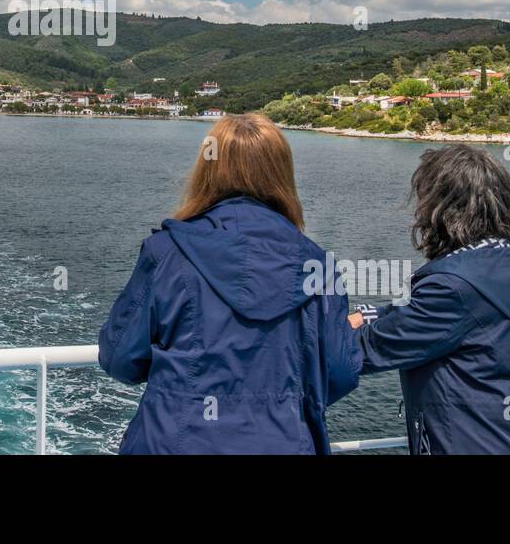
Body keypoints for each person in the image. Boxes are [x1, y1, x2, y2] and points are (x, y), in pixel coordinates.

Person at [98, 112, 360, 454]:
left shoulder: (166, 253)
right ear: (282, 174)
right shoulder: (319, 267)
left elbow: (120, 358)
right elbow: (338, 373)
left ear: (208, 169)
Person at [351, 143, 510, 454]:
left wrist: (312, 328)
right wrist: (366, 315)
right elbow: (420, 316)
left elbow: (370, 349)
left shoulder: (454, 286)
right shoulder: (505, 267)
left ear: (444, 208)